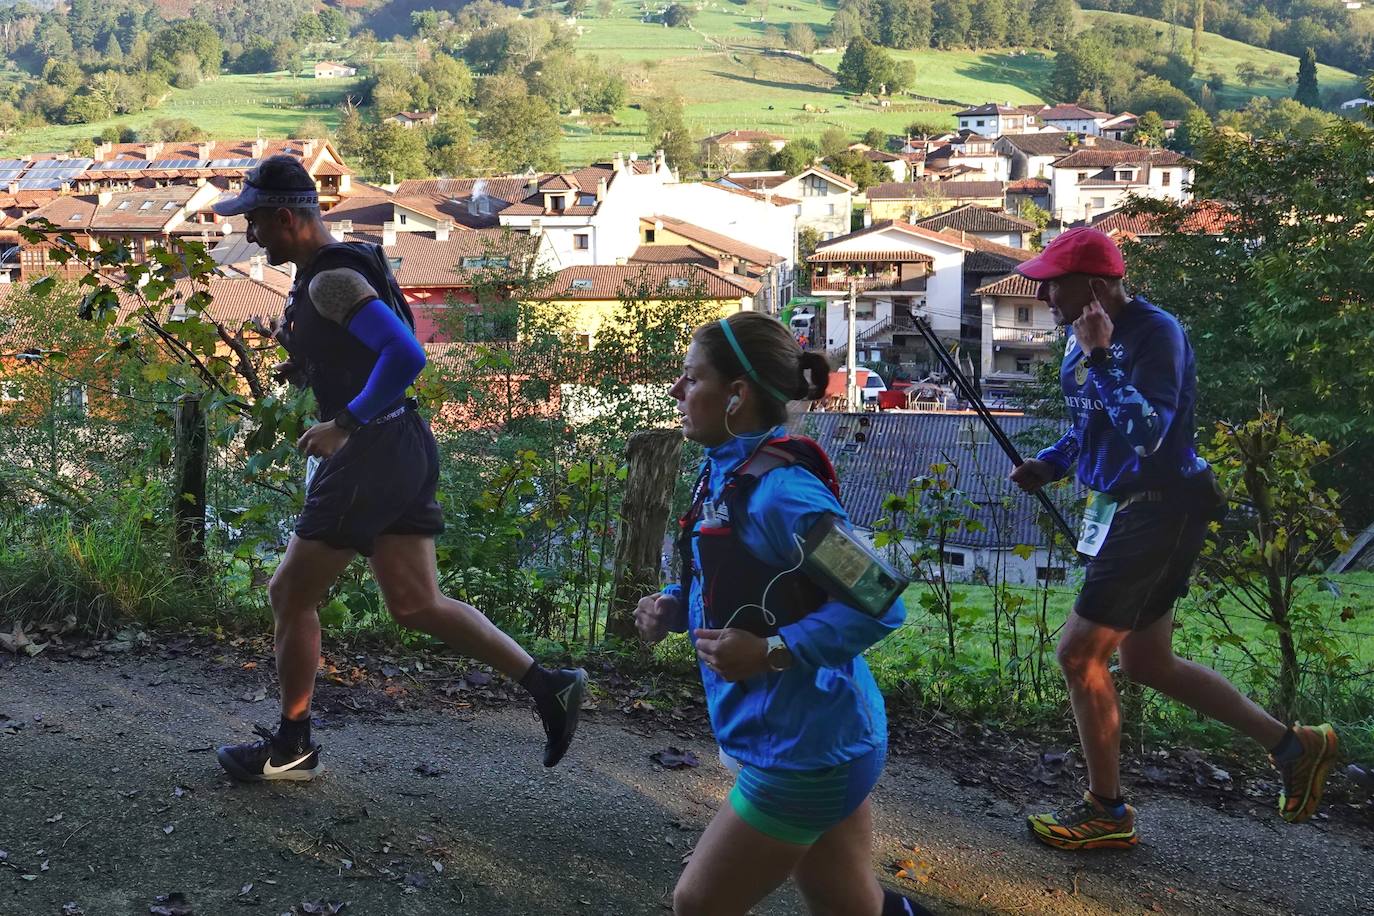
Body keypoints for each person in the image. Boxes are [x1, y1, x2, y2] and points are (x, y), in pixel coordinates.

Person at [210, 155, 586, 782]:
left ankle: (293, 744)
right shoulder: (351, 260)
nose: (250, 235)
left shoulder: (330, 279)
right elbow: (371, 346)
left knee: (288, 594)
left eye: (254, 222)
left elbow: (406, 354)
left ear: (285, 217)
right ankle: (549, 685)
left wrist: (344, 421)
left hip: (370, 452)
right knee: (416, 603)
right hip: (405, 441)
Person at [1008, 227, 1338, 849]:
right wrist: (1050, 463)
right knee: (1147, 661)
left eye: (1055, 284)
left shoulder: (1155, 333)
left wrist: (1103, 356)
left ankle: (1106, 811)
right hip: (1122, 507)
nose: (1044, 294)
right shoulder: (1081, 343)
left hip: (1164, 508)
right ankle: (1296, 746)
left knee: (1080, 655)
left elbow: (1146, 433)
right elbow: (1090, 425)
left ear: (1098, 286)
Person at [635, 312, 929, 916]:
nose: (676, 391)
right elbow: (748, 576)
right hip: (819, 736)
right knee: (847, 902)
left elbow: (880, 600)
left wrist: (770, 652)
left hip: (806, 751)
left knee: (698, 903)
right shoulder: (727, 470)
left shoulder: (783, 493)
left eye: (692, 379)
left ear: (737, 395)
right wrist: (673, 603)